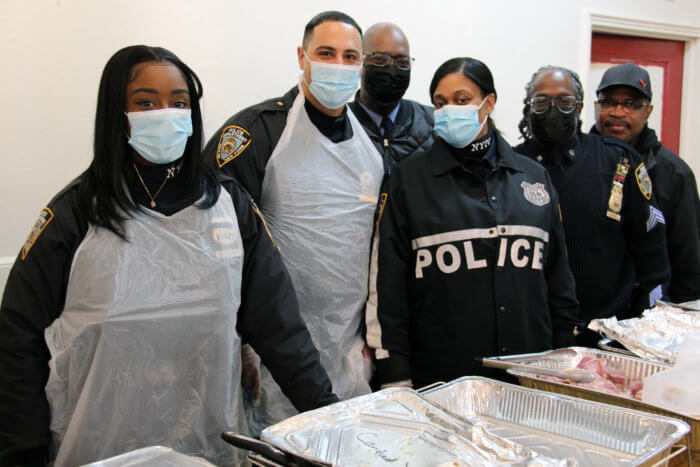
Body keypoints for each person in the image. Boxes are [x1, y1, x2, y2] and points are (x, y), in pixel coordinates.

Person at [0, 45, 337, 466]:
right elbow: (17, 341)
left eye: (179, 102)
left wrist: (331, 418)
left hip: (208, 447)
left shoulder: (228, 206)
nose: (167, 113)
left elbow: (281, 329)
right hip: (97, 448)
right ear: (115, 113)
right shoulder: (75, 215)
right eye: (145, 102)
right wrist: (21, 452)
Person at [204, 11, 382, 434]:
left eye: (349, 56)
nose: (338, 65)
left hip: (349, 349)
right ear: (302, 57)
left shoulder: (372, 144)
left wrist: (374, 337)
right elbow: (216, 243)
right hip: (269, 351)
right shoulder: (256, 133)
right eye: (325, 53)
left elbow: (378, 247)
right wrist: (241, 342)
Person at [365, 57, 580, 389]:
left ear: (488, 103)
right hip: (441, 379)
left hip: (528, 377)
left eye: (462, 100)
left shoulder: (533, 178)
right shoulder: (408, 180)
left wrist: (566, 354)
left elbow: (559, 279)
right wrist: (395, 375)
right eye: (441, 102)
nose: (450, 109)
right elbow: (387, 287)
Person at [515, 66, 670, 345]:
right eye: (541, 101)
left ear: (580, 107)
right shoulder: (510, 167)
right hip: (532, 333)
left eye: (564, 101)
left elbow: (652, 255)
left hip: (606, 335)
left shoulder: (619, 160)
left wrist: (640, 326)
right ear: (528, 109)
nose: (553, 109)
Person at [591, 63, 700, 303]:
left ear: (648, 111)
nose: (618, 112)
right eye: (609, 102)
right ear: (596, 107)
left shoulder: (675, 174)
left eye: (630, 104)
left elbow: (688, 259)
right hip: (586, 312)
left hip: (650, 315)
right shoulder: (577, 162)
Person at [349, 22, 434, 173]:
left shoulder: (435, 125)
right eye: (380, 60)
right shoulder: (339, 123)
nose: (392, 70)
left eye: (402, 63)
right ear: (360, 62)